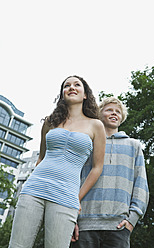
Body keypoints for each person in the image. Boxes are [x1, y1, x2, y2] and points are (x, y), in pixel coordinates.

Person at [8, 75, 106, 248]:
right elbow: (41, 157)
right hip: (34, 189)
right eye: (66, 85)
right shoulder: (50, 122)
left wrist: (77, 198)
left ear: (85, 95)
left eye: (77, 85)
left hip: (66, 196)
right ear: (62, 94)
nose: (71, 87)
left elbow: (97, 168)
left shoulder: (96, 125)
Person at [71, 96, 149, 248]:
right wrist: (73, 218)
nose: (114, 114)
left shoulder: (133, 146)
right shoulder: (87, 144)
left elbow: (141, 185)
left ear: (122, 118)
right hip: (85, 225)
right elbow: (75, 179)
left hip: (119, 227)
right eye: (109, 110)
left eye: (118, 112)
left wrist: (132, 219)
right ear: (100, 115)